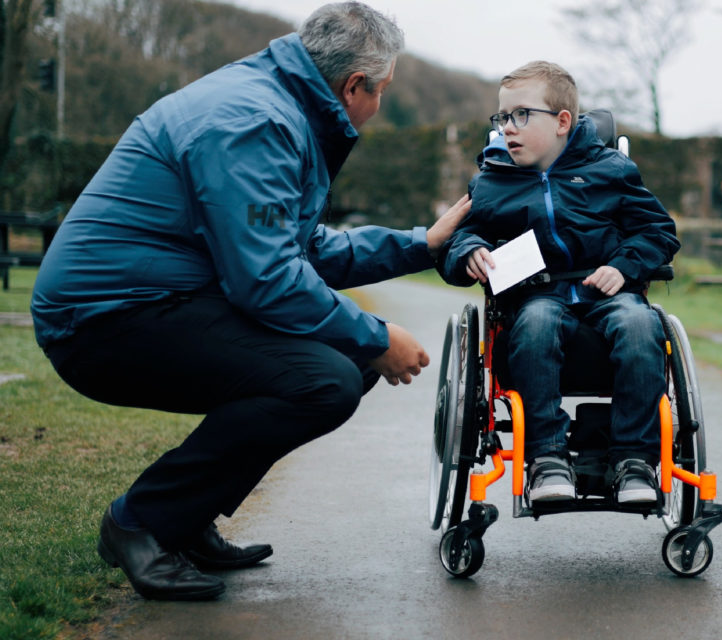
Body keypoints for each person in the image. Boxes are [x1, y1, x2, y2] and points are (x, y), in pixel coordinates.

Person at [31, 2, 471, 601]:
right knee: (325, 379)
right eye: (382, 92)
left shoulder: (279, 106)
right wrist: (377, 336)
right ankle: (139, 523)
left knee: (338, 370)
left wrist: (420, 246)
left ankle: (184, 519)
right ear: (353, 86)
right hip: (104, 317)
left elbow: (301, 249)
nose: (378, 107)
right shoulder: (254, 121)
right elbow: (264, 279)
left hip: (154, 301)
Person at [437, 61, 680, 505]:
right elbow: (458, 236)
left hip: (607, 290)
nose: (507, 128)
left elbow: (658, 232)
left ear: (563, 122)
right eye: (502, 117)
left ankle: (634, 460)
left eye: (521, 115)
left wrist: (625, 266)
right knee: (533, 325)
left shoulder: (611, 171)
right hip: (536, 296)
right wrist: (469, 249)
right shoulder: (492, 181)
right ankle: (546, 456)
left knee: (642, 326)